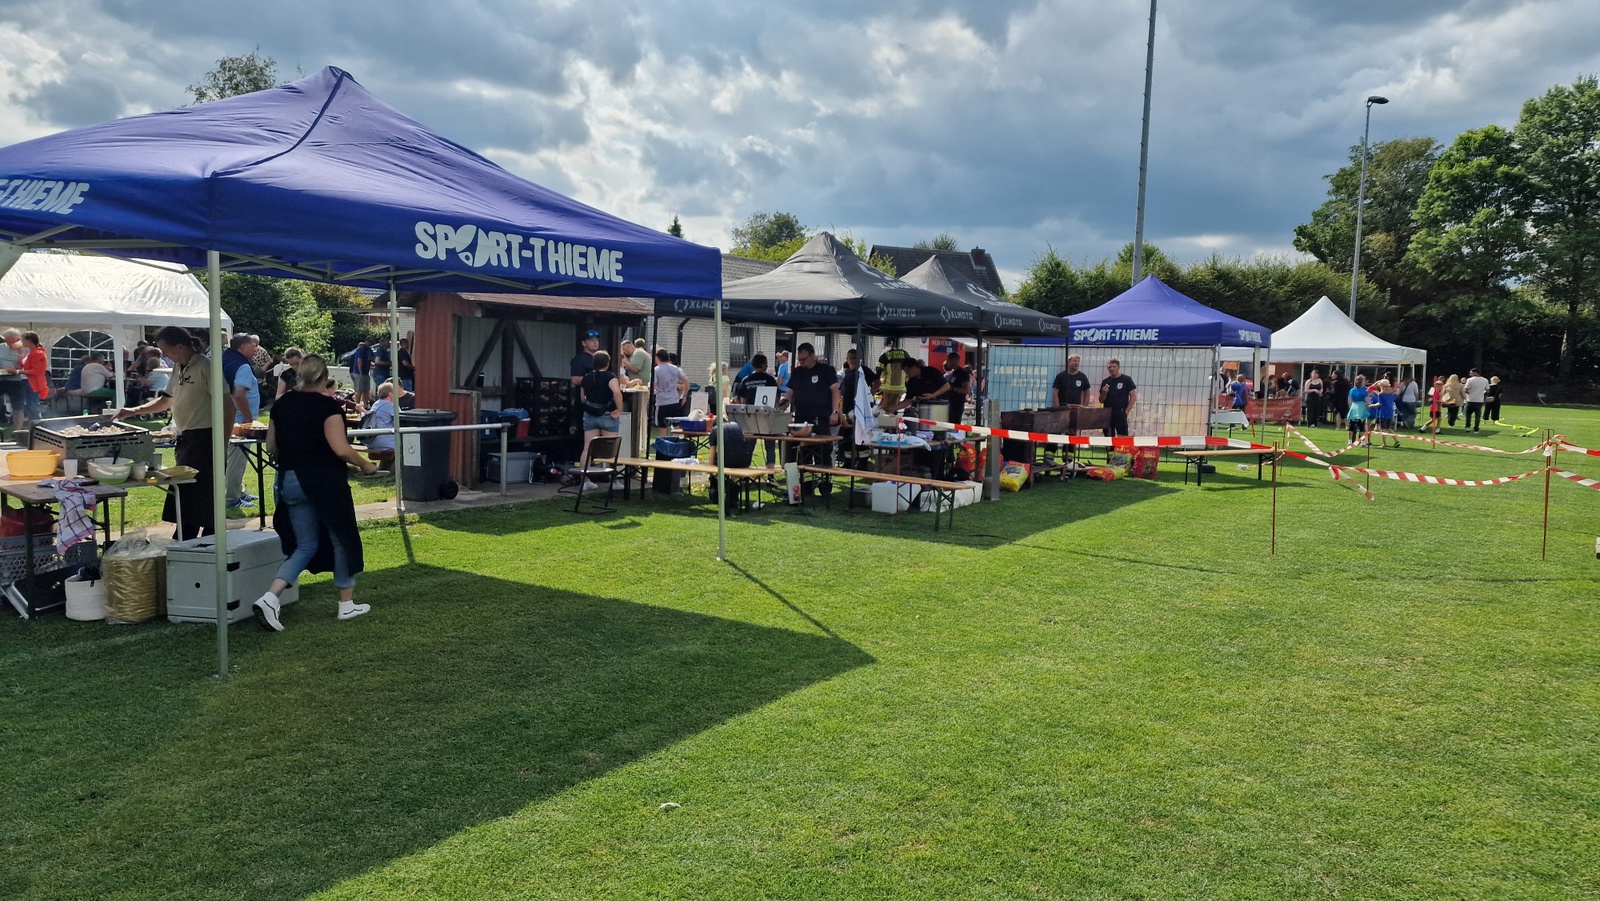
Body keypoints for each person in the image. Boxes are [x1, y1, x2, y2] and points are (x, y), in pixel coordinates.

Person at [251, 354, 381, 631]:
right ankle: (346, 604)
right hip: (324, 481)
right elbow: (341, 448)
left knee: (305, 545)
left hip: (290, 479)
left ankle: (270, 598)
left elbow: (271, 446)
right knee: (342, 538)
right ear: (324, 378)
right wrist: (365, 465)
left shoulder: (282, 404)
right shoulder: (328, 406)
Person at [114, 327, 223, 540]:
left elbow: (227, 403)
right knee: (186, 493)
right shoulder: (179, 368)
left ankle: (204, 541)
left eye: (166, 350)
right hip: (187, 438)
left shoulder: (205, 366)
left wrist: (222, 439)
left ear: (180, 346)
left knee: (204, 495)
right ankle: (186, 539)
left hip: (206, 438)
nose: (164, 355)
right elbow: (166, 400)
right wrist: (133, 411)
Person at [781, 342, 840, 489]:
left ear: (812, 355)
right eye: (799, 359)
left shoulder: (826, 370)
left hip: (821, 417)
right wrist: (784, 403)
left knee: (823, 451)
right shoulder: (797, 372)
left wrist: (835, 412)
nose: (801, 362)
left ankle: (825, 484)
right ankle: (807, 485)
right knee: (804, 452)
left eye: (804, 359)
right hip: (802, 418)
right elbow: (790, 392)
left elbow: (835, 391)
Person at [222, 334, 262, 508]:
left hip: (225, 417)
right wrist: (248, 419)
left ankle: (239, 491)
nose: (256, 349)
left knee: (230, 458)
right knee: (237, 460)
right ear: (242, 347)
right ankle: (232, 498)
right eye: (253, 346)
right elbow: (239, 394)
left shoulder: (225, 359)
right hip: (239, 420)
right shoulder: (243, 366)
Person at [577, 350, 624, 481]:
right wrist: (619, 409)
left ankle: (585, 480)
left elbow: (582, 398)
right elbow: (617, 393)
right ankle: (613, 481)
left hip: (590, 415)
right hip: (608, 415)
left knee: (587, 448)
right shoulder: (611, 377)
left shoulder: (586, 377)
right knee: (610, 449)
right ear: (608, 363)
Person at [737, 353, 780, 464]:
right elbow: (776, 397)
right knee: (770, 446)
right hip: (767, 416)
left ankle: (745, 467)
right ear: (763, 365)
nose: (767, 366)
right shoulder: (769, 379)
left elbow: (743, 400)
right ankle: (770, 470)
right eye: (766, 363)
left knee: (749, 446)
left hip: (751, 417)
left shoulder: (746, 380)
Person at [652, 346, 688, 437]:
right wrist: (684, 395)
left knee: (662, 425)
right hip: (674, 400)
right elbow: (686, 381)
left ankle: (664, 442)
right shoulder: (675, 368)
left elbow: (653, 385)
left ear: (657, 358)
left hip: (662, 401)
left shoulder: (657, 370)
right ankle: (675, 441)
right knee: (674, 424)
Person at [1098, 359, 1137, 437]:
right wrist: (1104, 392)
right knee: (1108, 436)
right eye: (1110, 367)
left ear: (1118, 367)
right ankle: (1109, 445)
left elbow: (1133, 397)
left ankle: (1121, 445)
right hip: (1107, 412)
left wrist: (1126, 412)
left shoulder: (1126, 379)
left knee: (1122, 436)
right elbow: (1101, 400)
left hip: (1120, 412)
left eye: (1114, 366)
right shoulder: (1105, 381)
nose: (1112, 368)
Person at [18, 331, 50, 423]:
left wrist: (17, 371)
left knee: (33, 405)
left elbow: (36, 371)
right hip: (27, 381)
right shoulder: (32, 352)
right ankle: (33, 425)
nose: (21, 342)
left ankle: (39, 425)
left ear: (29, 341)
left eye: (23, 340)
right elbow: (27, 366)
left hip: (33, 383)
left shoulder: (38, 353)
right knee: (29, 405)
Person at [363, 381, 402, 453]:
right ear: (390, 394)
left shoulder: (375, 404)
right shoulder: (391, 406)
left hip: (371, 442)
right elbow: (401, 422)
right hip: (387, 443)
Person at [0, 328, 23, 426]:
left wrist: (15, 369)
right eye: (7, 341)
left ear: (18, 339)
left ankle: (18, 429)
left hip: (15, 380)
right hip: (1, 378)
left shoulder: (24, 348)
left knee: (18, 407)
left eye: (12, 341)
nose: (9, 344)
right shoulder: (1, 347)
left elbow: (27, 365)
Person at [1373, 380, 1400, 447]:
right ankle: (1397, 440)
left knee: (1383, 430)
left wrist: (1371, 405)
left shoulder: (1381, 395)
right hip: (1390, 413)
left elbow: (1379, 404)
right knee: (1388, 428)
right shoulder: (1392, 395)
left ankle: (1384, 444)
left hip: (1383, 414)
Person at [348, 338, 374, 407]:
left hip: (366, 372)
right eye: (370, 341)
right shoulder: (362, 349)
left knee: (366, 389)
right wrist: (360, 372)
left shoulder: (369, 349)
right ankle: (356, 405)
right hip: (359, 372)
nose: (371, 343)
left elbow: (371, 359)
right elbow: (359, 361)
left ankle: (365, 405)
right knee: (360, 389)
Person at [1346, 375, 1371, 446]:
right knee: (1362, 426)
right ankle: (1362, 442)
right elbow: (1367, 401)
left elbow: (1349, 400)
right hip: (1361, 407)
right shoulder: (1365, 390)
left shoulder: (1352, 390)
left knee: (1352, 425)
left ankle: (1350, 441)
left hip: (1353, 407)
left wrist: (1351, 407)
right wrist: (1367, 406)